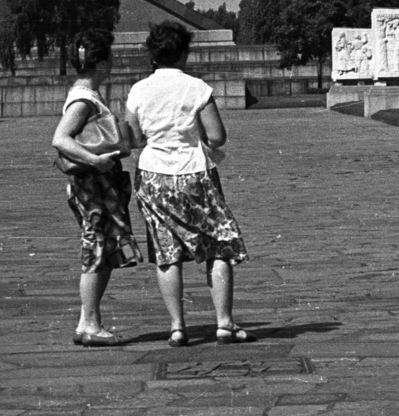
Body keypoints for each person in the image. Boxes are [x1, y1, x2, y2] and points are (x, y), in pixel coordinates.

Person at [128, 21, 253, 347]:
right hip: (195, 172)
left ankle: (177, 327)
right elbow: (217, 136)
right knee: (219, 244)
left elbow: (134, 137)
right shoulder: (197, 88)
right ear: (184, 53)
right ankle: (224, 323)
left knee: (166, 252)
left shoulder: (139, 90)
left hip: (154, 175)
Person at [50, 29, 140, 347]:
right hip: (93, 185)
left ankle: (89, 320)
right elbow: (60, 139)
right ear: (101, 63)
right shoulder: (84, 99)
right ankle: (89, 323)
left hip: (99, 185)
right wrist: (95, 160)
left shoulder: (87, 95)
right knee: (96, 251)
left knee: (103, 251)